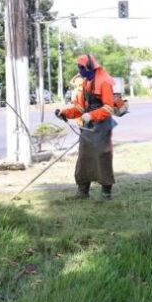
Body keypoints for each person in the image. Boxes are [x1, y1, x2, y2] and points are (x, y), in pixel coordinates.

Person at [55, 54, 116, 200]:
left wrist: (92, 115)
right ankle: (83, 192)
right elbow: (81, 108)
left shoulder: (104, 82)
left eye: (81, 68)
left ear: (89, 67)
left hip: (102, 126)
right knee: (84, 157)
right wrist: (65, 112)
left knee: (102, 157)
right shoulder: (86, 82)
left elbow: (109, 107)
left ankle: (106, 194)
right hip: (88, 126)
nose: (80, 71)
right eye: (79, 68)